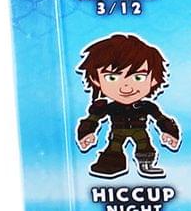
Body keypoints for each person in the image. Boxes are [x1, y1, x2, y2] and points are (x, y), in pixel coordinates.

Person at [76, 33, 180, 178]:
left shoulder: (147, 106)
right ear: (96, 80)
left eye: (138, 77)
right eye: (112, 77)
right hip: (118, 130)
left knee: (144, 144)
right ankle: (111, 164)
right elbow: (93, 118)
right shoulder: (109, 106)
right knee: (114, 147)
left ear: (153, 80)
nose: (126, 87)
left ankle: (146, 164)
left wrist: (169, 132)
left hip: (139, 130)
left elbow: (161, 118)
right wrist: (86, 133)